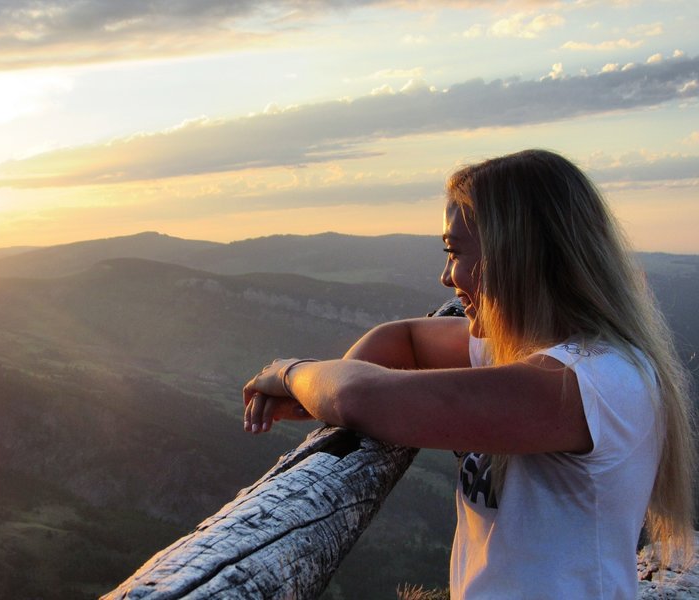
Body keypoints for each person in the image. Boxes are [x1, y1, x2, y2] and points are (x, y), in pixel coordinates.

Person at [242, 149, 695, 599]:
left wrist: (290, 372)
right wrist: (321, 397)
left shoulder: (592, 382)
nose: (446, 276)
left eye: (454, 252)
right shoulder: (522, 355)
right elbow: (401, 338)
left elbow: (364, 396)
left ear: (515, 255)